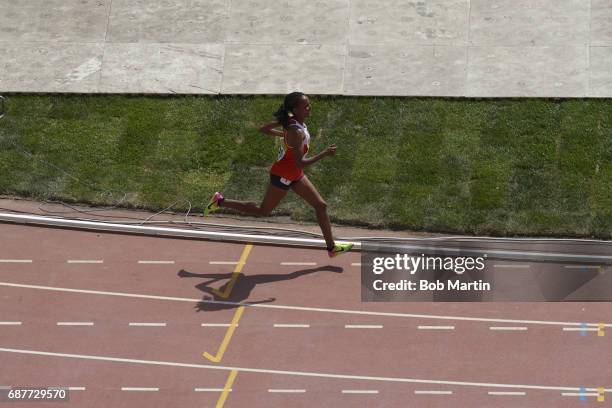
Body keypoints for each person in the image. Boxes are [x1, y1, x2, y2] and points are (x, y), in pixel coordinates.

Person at [203, 91, 352, 258]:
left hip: (295, 174)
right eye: (306, 106)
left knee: (321, 206)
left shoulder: (293, 123)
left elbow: (264, 129)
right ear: (295, 109)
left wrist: (284, 133)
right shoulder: (296, 131)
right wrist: (324, 153)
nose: (310, 108)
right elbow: (301, 162)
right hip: (283, 175)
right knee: (262, 211)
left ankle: (331, 248)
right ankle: (220, 202)